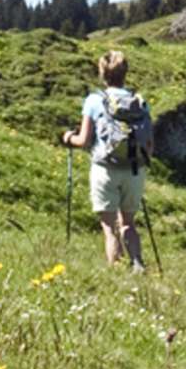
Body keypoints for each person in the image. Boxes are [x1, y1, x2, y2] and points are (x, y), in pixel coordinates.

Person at [61, 50, 152, 270]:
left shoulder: (94, 100)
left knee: (109, 227)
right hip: (134, 169)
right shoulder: (139, 102)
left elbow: (84, 140)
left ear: (102, 74)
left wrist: (68, 138)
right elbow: (150, 145)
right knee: (128, 223)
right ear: (125, 73)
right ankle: (137, 263)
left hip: (105, 168)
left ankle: (117, 271)